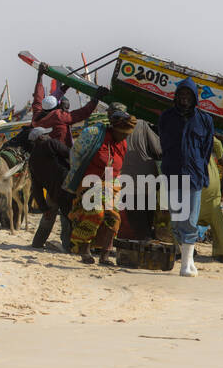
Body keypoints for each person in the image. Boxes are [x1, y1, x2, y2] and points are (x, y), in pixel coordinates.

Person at [62, 104, 135, 266]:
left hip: (111, 184)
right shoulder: (94, 135)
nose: (124, 137)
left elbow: (119, 166)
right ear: (114, 128)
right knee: (95, 213)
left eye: (127, 135)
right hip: (90, 181)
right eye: (122, 133)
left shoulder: (122, 144)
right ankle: (84, 250)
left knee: (114, 218)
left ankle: (105, 254)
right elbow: (76, 155)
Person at [157, 77, 214, 277]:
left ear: (194, 98)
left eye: (188, 95)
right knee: (177, 217)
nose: (184, 98)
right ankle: (186, 260)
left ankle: (186, 263)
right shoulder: (166, 117)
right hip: (172, 172)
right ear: (176, 96)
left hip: (194, 174)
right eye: (181, 94)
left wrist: (201, 169)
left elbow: (206, 149)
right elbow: (163, 143)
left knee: (190, 218)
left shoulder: (205, 120)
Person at [31, 66, 105, 145]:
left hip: (46, 150)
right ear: (57, 106)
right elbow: (82, 113)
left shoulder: (37, 115)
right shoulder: (58, 116)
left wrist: (40, 75)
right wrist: (96, 98)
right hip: (61, 152)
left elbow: (38, 96)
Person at [28, 126, 74, 250]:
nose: (49, 135)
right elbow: (71, 154)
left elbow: (36, 187)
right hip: (67, 187)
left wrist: (43, 207)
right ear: (41, 137)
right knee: (68, 217)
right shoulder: (51, 143)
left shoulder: (32, 160)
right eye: (46, 134)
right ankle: (69, 245)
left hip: (52, 192)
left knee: (48, 216)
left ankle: (37, 243)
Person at [117, 118, 163, 241]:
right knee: (147, 212)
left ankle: (145, 240)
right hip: (147, 174)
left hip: (126, 174)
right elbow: (158, 150)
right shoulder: (141, 124)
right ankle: (146, 240)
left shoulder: (114, 126)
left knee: (137, 215)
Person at [197, 137, 223, 263]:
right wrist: (221, 157)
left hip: (192, 179)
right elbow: (216, 142)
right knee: (218, 221)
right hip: (210, 179)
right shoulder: (203, 124)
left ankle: (180, 250)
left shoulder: (177, 127)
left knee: (179, 219)